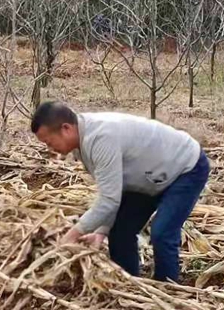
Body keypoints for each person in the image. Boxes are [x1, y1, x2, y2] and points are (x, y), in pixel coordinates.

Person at [31, 100, 210, 282]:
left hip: (185, 167)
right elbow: (112, 191)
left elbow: (109, 201)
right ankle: (129, 283)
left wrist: (71, 236)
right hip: (149, 176)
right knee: (119, 230)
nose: (50, 149)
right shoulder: (81, 142)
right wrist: (101, 231)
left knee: (162, 232)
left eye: (49, 142)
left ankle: (169, 291)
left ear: (66, 128)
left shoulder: (101, 138)